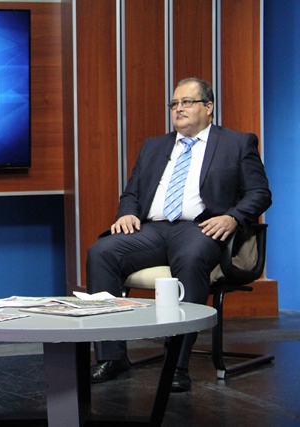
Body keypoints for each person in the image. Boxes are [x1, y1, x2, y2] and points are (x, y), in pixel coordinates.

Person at [86, 77, 271, 392]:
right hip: (152, 229)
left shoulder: (237, 143)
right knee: (101, 252)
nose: (178, 109)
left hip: (200, 227)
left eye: (187, 102)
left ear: (208, 107)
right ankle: (112, 356)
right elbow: (132, 193)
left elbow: (259, 193)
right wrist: (127, 213)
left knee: (190, 256)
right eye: (174, 104)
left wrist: (232, 217)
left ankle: (177, 362)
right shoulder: (154, 146)